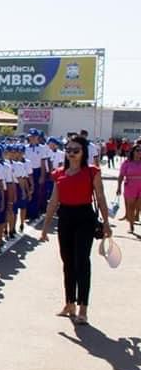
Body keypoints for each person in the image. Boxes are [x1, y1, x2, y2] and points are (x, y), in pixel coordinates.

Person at [40, 135, 111, 325]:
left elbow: (101, 198)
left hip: (85, 218)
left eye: (76, 150)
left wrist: (106, 223)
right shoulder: (59, 173)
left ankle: (83, 308)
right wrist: (45, 227)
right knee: (67, 262)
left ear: (83, 152)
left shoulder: (92, 172)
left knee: (82, 262)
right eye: (69, 150)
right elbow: (54, 201)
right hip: (65, 218)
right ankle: (69, 303)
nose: (71, 154)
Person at [116, 144, 141, 234]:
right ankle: (131, 226)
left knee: (138, 205)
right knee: (130, 207)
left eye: (140, 150)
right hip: (130, 185)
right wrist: (118, 187)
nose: (139, 152)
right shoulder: (127, 163)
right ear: (133, 152)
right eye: (137, 150)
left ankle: (136, 216)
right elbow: (121, 175)